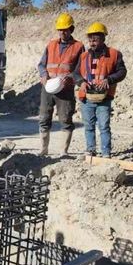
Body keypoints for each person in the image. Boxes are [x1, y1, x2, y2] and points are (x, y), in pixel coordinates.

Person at [73, 22, 127, 159]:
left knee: (103, 126)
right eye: (90, 40)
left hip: (104, 98)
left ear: (103, 39)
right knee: (88, 126)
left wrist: (109, 80)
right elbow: (76, 73)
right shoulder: (84, 56)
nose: (92, 43)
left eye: (95, 40)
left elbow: (122, 72)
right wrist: (81, 82)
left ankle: (106, 152)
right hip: (86, 97)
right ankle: (90, 150)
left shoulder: (114, 54)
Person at [37, 13, 85, 157]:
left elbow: (81, 68)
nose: (62, 32)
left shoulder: (78, 46)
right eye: (60, 29)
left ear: (72, 29)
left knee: (65, 119)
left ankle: (64, 151)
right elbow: (41, 64)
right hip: (48, 87)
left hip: (66, 89)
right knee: (44, 118)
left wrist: (70, 78)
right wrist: (44, 76)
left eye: (65, 29)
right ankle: (44, 150)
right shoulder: (51, 44)